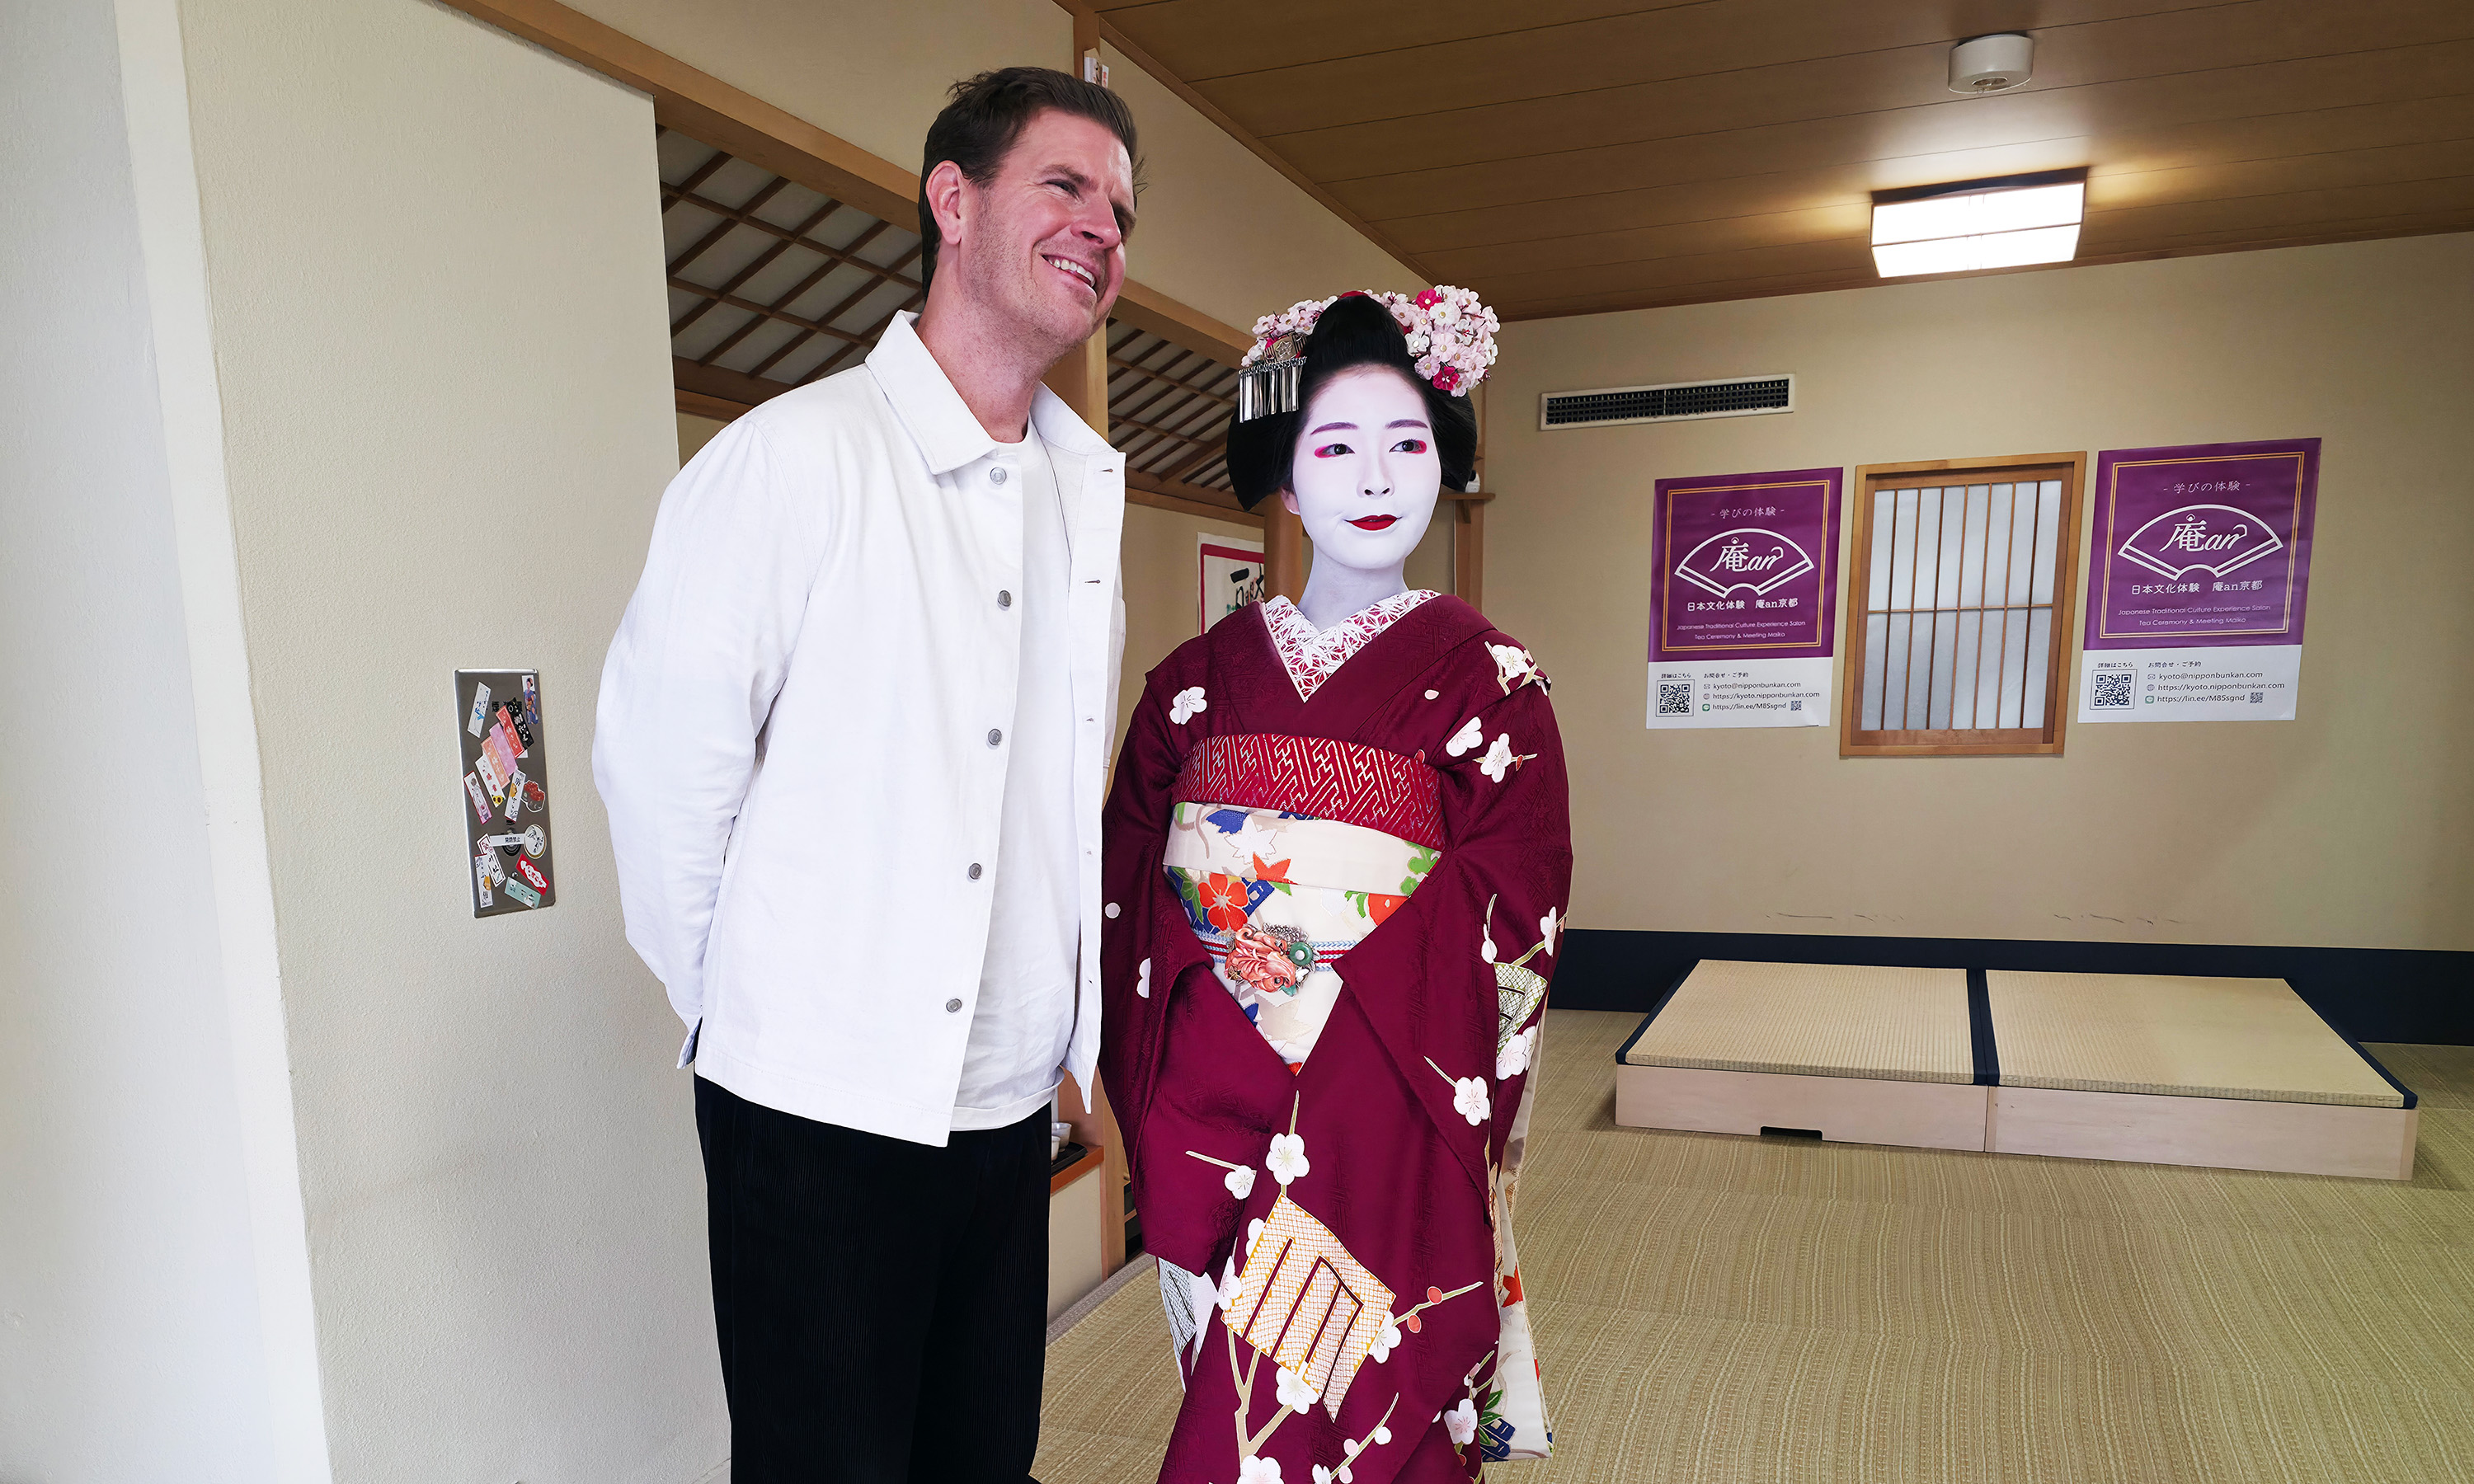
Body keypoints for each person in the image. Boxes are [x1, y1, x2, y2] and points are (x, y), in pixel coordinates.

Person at [594, 66, 1137, 1482]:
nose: (1102, 229)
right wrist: (747, 1008)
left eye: (1122, 211)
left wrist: (1064, 1036)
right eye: (1066, 187)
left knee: (981, 1461)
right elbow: (660, 773)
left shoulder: (1082, 494)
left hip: (1009, 1100)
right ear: (952, 203)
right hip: (815, 1106)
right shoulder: (792, 461)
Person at [1097, 290, 1572, 1482]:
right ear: (1287, 481)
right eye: (1336, 446)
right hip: (1210, 1104)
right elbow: (1127, 889)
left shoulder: (1491, 682)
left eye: (1408, 444)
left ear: (1444, 468)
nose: (1377, 476)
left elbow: (1512, 911)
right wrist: (1217, 1055)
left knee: (1349, 1414)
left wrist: (1323, 1046)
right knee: (1241, 1387)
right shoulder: (1191, 684)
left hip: (1388, 1108)